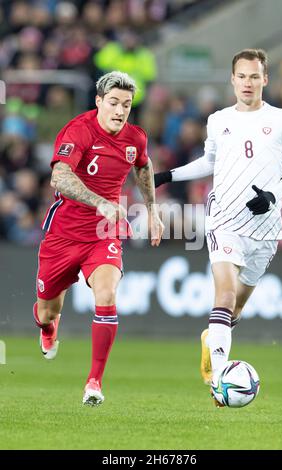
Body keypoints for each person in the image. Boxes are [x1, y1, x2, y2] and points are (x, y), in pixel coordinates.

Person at [154, 49, 282, 406]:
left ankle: (212, 340)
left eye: (254, 76)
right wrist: (166, 175)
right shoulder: (218, 120)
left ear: (265, 79)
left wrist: (273, 194)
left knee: (235, 309)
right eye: (242, 76)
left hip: (264, 227)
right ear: (232, 79)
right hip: (224, 220)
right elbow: (209, 162)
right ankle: (220, 382)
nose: (247, 83)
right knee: (224, 297)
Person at [33, 71, 164, 406]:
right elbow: (59, 177)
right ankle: (49, 328)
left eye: (126, 104)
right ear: (99, 102)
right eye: (114, 103)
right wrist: (101, 202)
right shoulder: (78, 131)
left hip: (104, 233)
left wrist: (152, 210)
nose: (120, 110)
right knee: (47, 311)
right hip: (64, 233)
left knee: (106, 294)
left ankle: (94, 381)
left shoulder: (135, 138)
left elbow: (144, 168)